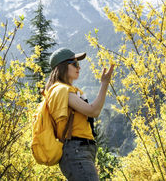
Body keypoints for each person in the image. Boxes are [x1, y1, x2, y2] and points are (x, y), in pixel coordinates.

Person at [45, 47, 114, 181]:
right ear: (63, 66)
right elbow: (93, 111)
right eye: (75, 63)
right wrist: (104, 84)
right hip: (76, 151)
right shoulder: (62, 90)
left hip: (80, 151)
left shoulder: (66, 90)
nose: (79, 67)